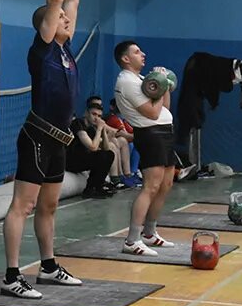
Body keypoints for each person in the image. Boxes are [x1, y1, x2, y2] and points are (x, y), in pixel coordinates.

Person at [1, 0, 83, 300]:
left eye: (66, 19)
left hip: (60, 139)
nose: (67, 18)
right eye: (61, 19)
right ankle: (11, 275)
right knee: (24, 205)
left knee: (49, 206)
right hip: (37, 136)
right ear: (47, 26)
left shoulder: (66, 51)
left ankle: (48, 266)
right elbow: (56, 1)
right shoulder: (45, 48)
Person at [113, 40, 177, 257]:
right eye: (137, 52)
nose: (143, 54)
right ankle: (132, 240)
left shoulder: (140, 79)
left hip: (164, 132)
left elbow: (164, 107)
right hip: (151, 135)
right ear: (125, 58)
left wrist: (164, 84)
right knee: (151, 186)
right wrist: (158, 85)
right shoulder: (127, 82)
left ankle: (149, 233)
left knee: (166, 184)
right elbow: (151, 113)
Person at [66, 97, 116, 198]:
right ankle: (90, 189)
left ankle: (97, 187)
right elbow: (92, 147)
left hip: (82, 159)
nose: (96, 118)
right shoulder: (78, 123)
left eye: (99, 116)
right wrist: (99, 130)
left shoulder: (92, 128)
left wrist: (102, 130)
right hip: (70, 160)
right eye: (94, 114)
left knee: (109, 154)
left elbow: (106, 148)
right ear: (87, 113)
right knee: (100, 157)